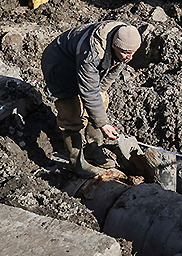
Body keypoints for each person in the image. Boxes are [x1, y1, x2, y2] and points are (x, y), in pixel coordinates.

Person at [41, 21, 142, 178]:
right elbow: (89, 90)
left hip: (80, 61)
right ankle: (76, 163)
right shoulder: (93, 52)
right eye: (126, 52)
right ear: (114, 46)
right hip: (60, 65)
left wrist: (101, 91)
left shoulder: (125, 37)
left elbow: (112, 72)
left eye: (133, 52)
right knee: (71, 112)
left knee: (101, 99)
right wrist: (103, 124)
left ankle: (93, 149)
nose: (130, 57)